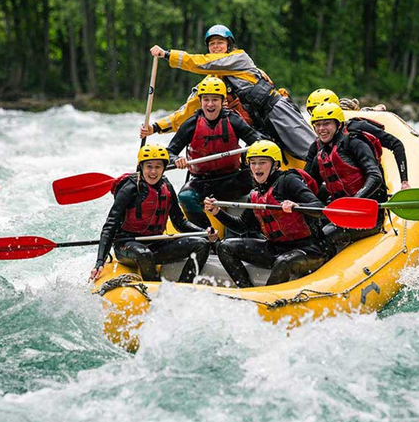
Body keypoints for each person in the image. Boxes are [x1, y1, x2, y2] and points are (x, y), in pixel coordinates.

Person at [142, 24, 315, 162]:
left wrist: (167, 55)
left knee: (310, 150)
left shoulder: (239, 58)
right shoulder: (212, 83)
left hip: (276, 110)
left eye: (220, 43)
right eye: (212, 44)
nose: (216, 47)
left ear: (229, 45)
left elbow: (200, 63)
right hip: (256, 126)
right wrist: (156, 127)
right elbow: (188, 110)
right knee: (263, 159)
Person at [203, 140, 333, 288]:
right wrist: (217, 212)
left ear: (275, 164)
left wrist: (298, 206)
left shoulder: (289, 181)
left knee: (283, 262)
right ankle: (247, 291)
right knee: (225, 246)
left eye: (262, 162)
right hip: (276, 248)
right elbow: (241, 226)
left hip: (310, 248)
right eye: (253, 163)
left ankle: (267, 302)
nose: (257, 167)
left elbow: (319, 208)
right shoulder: (255, 193)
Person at [90, 144, 214, 283]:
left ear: (164, 168)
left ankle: (184, 287)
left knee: (202, 244)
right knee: (144, 253)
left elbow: (179, 222)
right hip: (127, 245)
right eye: (149, 166)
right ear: (141, 167)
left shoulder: (166, 186)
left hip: (156, 244)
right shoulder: (130, 188)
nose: (153, 171)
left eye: (158, 167)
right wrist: (100, 261)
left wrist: (204, 231)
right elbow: (110, 226)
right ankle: (155, 292)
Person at [305, 102, 409, 251]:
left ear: (338, 125)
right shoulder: (321, 154)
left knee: (323, 235)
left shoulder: (355, 142)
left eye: (326, 124)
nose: (321, 129)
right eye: (318, 125)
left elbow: (375, 176)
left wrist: (355, 201)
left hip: (367, 213)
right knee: (311, 230)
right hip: (341, 211)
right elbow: (308, 185)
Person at [166, 76, 262, 229]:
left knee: (256, 192)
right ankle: (207, 236)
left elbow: (258, 143)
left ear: (223, 101)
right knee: (185, 197)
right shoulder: (191, 124)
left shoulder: (234, 120)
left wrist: (252, 155)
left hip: (233, 179)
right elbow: (168, 153)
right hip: (203, 182)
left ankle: (241, 236)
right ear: (201, 101)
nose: (210, 104)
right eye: (206, 100)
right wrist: (176, 159)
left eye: (215, 100)